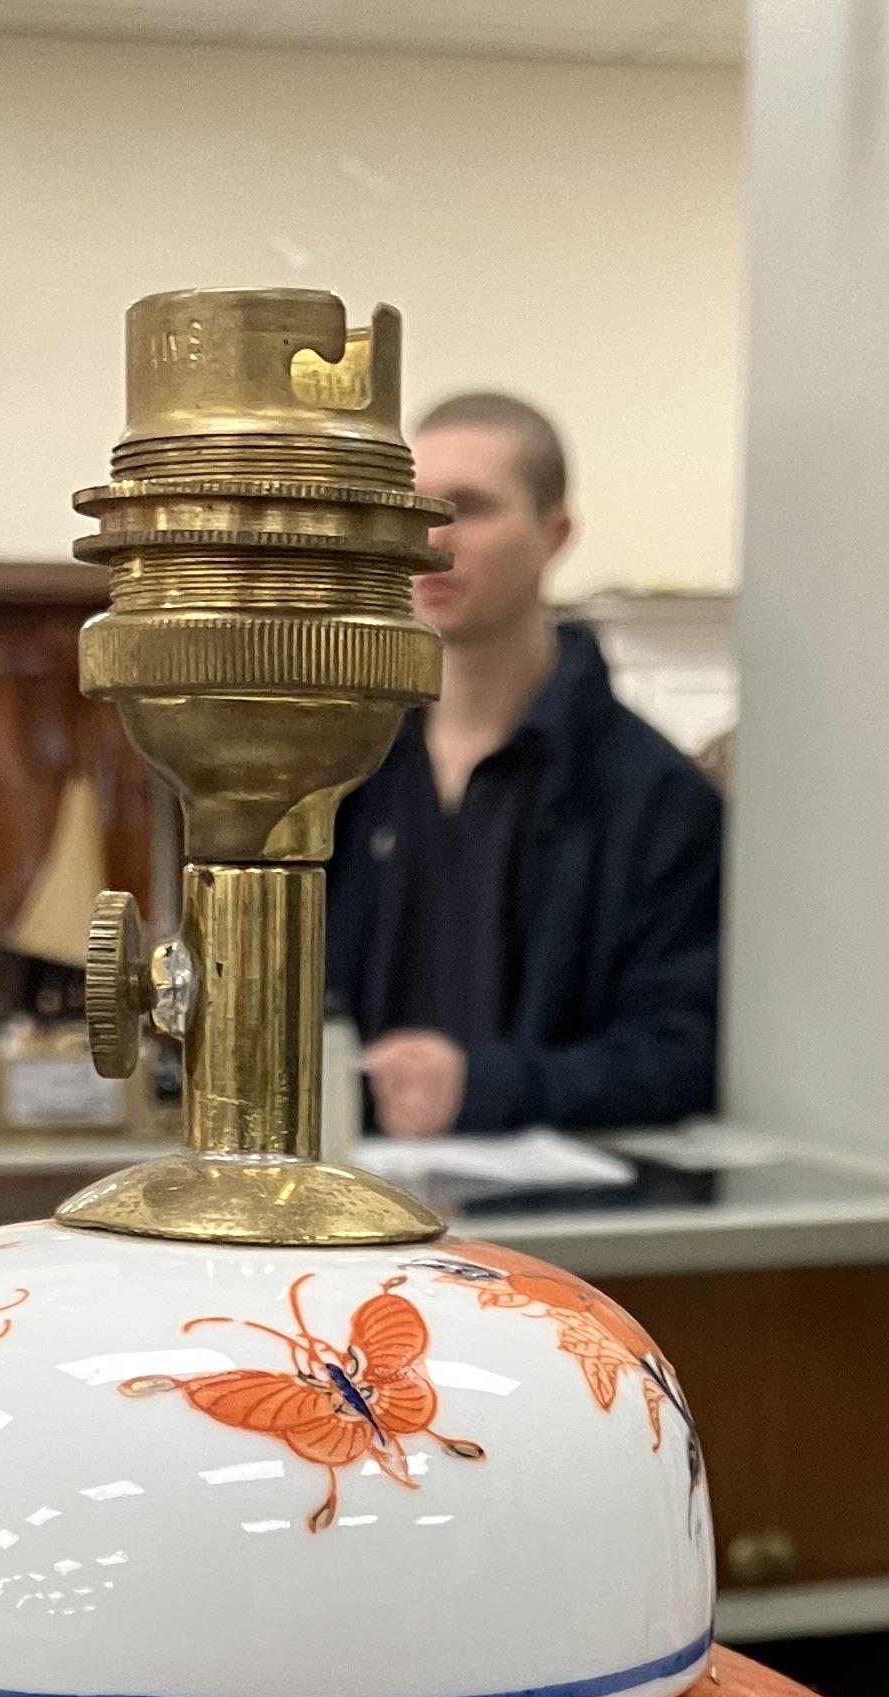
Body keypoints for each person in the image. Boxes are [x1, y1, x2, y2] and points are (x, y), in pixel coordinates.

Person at [327, 392, 722, 1143]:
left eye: (469, 508)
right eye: (411, 512)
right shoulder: (347, 771)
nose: (431, 540)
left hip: (565, 1233)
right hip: (350, 1220)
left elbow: (682, 1052)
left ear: (554, 532)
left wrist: (484, 1087)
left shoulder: (656, 797)